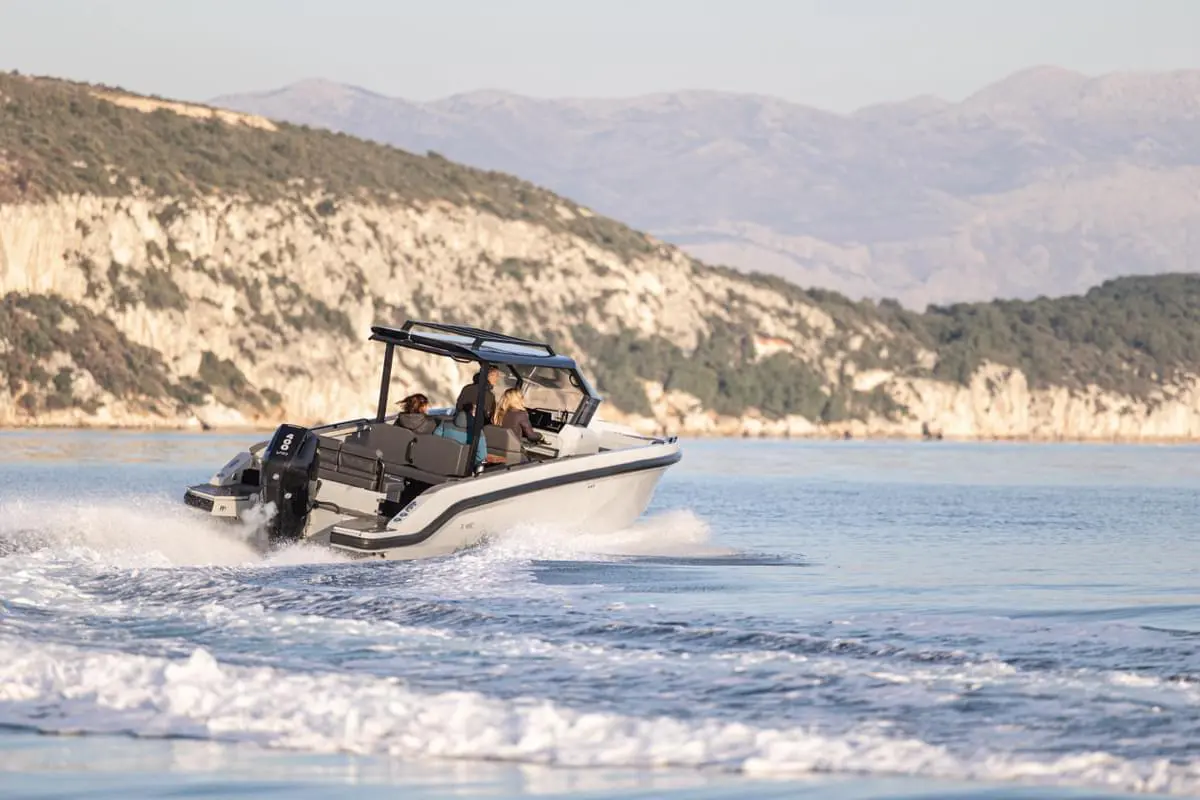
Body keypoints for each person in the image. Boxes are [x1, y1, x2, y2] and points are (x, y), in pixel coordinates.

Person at [433, 402, 488, 469]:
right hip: (461, 469)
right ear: (473, 414)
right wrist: (467, 464)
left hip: (439, 464)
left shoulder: (445, 424)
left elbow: (434, 441)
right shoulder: (478, 432)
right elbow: (481, 456)